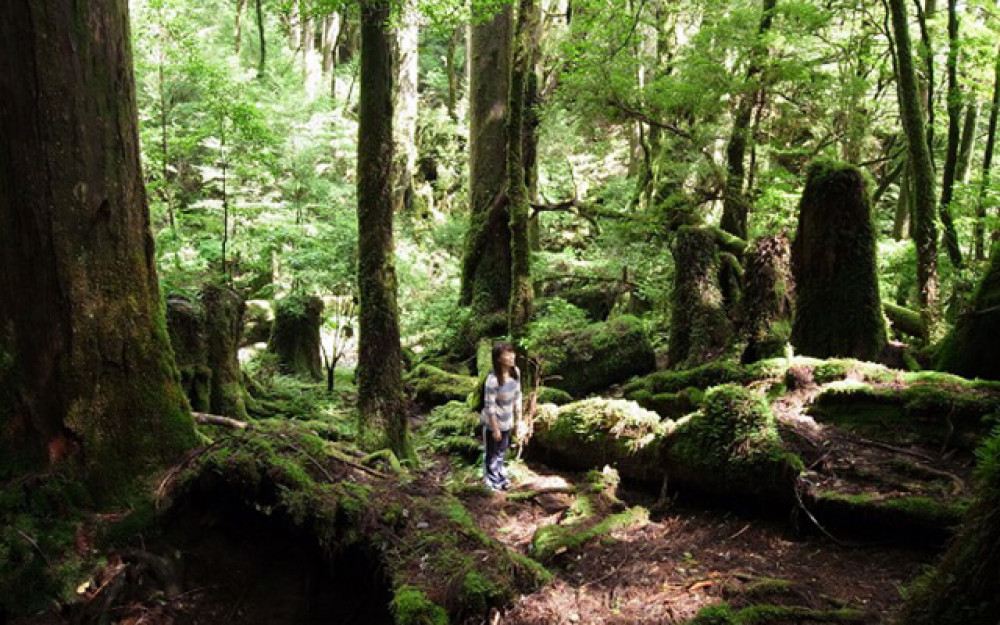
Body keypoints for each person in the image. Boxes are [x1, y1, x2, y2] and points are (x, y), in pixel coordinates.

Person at [481, 341, 522, 491]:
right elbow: (489, 406)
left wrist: (519, 420)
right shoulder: (492, 381)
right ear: (499, 359)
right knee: (491, 453)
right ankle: (491, 481)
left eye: (512, 353)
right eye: (507, 354)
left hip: (507, 421)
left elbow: (517, 396)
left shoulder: (515, 372)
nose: (511, 357)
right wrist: (495, 428)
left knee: (502, 451)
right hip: (493, 422)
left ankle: (500, 476)